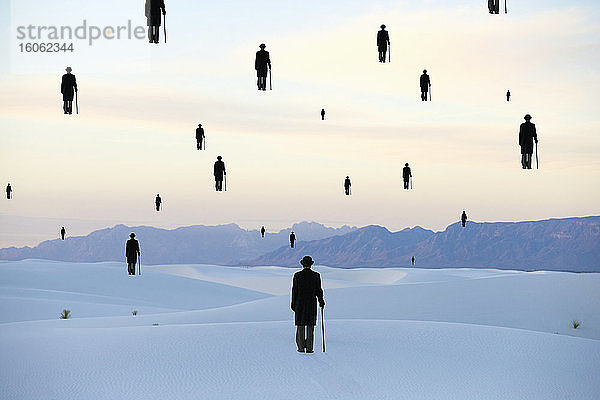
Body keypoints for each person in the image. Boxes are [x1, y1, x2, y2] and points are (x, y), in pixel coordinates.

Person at [291, 255, 325, 353]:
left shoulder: (297, 275)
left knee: (300, 325)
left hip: (300, 303)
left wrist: (293, 305)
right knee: (310, 325)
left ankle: (301, 347)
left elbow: (294, 291)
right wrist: (321, 301)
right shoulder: (316, 275)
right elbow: (319, 290)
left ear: (302, 264)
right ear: (311, 265)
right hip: (311, 303)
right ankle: (309, 348)